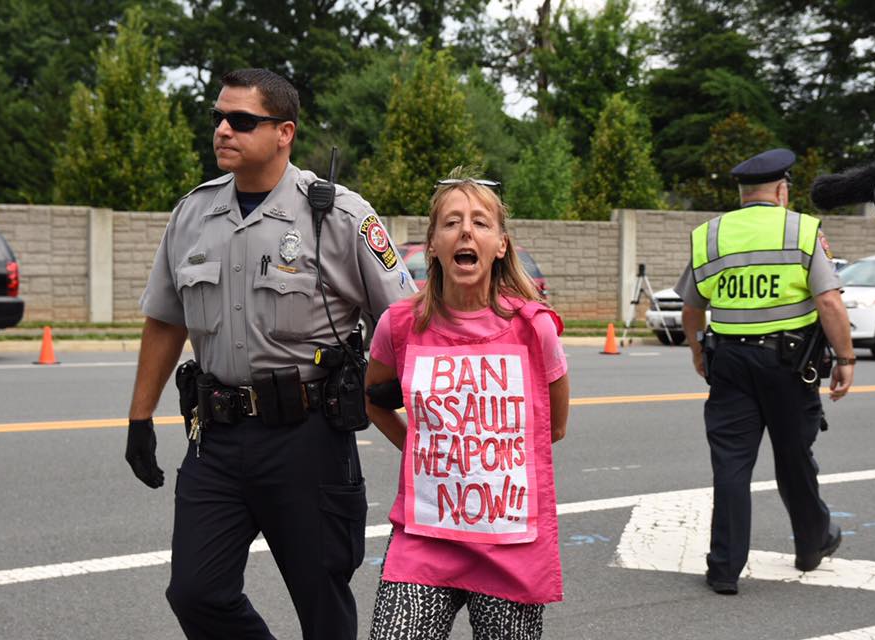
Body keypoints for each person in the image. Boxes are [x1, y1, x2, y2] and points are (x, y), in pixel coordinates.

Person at [124, 68, 415, 639]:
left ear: (284, 132)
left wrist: (394, 389)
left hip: (307, 439)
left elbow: (404, 320)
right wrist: (139, 418)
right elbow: (165, 319)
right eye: (218, 118)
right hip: (217, 437)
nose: (223, 130)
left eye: (241, 120)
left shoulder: (339, 215)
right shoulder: (192, 214)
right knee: (196, 593)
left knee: (322, 604)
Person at [364, 171, 570, 640]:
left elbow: (553, 427)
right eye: (451, 222)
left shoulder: (536, 329)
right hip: (424, 538)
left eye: (480, 222)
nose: (465, 232)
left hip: (509, 543)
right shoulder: (397, 325)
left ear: (500, 244)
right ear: (432, 244)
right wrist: (421, 451)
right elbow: (374, 403)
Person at [678, 148, 856, 595]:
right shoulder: (801, 228)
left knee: (731, 465)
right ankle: (812, 545)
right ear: (781, 190)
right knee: (794, 458)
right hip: (789, 364)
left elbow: (691, 307)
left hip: (730, 362)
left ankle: (723, 569)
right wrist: (847, 359)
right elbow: (829, 301)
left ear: (741, 194)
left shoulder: (710, 235)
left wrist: (699, 351)